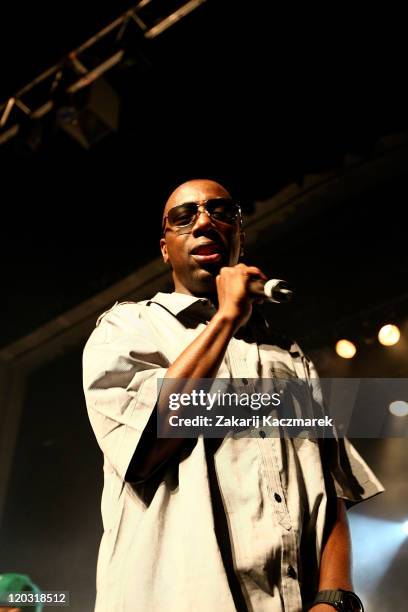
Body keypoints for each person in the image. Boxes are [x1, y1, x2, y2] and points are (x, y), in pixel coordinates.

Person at [83, 179, 383, 612]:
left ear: (239, 234)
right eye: (184, 217)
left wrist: (334, 597)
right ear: (165, 248)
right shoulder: (126, 329)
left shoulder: (288, 357)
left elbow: (330, 484)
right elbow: (148, 445)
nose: (205, 222)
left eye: (221, 212)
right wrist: (226, 318)